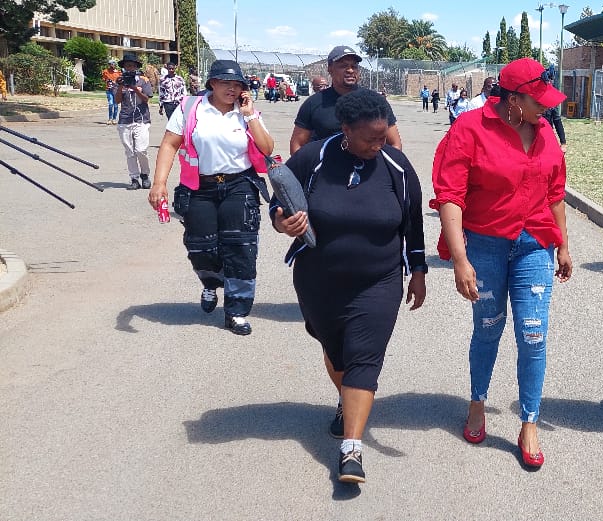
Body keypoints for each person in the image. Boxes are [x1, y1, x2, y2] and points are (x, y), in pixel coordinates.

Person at [271, 88, 427, 484]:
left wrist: (419, 271)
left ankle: (351, 449)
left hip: (380, 280)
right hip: (318, 279)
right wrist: (281, 222)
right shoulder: (315, 156)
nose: (380, 143)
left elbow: (413, 224)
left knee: (364, 357)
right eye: (370, 138)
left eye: (383, 135)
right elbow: (281, 200)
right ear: (345, 130)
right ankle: (347, 399)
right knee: (336, 351)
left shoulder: (397, 166)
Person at [430, 57, 572, 469]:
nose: (547, 108)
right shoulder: (470, 130)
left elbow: (556, 193)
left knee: (533, 334)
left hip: (534, 244)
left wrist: (562, 246)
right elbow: (450, 196)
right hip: (486, 245)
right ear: (512, 99)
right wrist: (459, 258)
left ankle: (529, 419)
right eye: (538, 100)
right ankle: (478, 400)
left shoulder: (544, 131)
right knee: (488, 328)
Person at [146, 60, 274, 336]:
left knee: (241, 249)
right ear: (212, 84)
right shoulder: (191, 108)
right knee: (200, 247)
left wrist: (250, 115)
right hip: (199, 188)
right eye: (226, 83)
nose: (232, 89)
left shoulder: (246, 113)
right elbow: (170, 143)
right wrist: (159, 183)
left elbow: (267, 148)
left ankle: (237, 311)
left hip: (239, 184)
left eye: (237, 84)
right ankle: (210, 282)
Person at [290, 46, 402, 154]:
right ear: (330, 69)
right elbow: (297, 145)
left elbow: (395, 144)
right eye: (343, 66)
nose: (350, 70)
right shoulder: (313, 103)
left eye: (354, 66)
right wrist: (309, 169)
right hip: (327, 170)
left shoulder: (376, 102)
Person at [115, 53, 155, 190]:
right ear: (124, 67)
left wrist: (135, 90)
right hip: (125, 119)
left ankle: (145, 174)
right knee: (129, 151)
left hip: (141, 118)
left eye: (132, 66)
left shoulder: (143, 80)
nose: (130, 68)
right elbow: (117, 100)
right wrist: (121, 86)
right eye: (127, 66)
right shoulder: (120, 80)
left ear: (136, 67)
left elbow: (146, 99)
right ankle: (134, 178)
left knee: (141, 149)